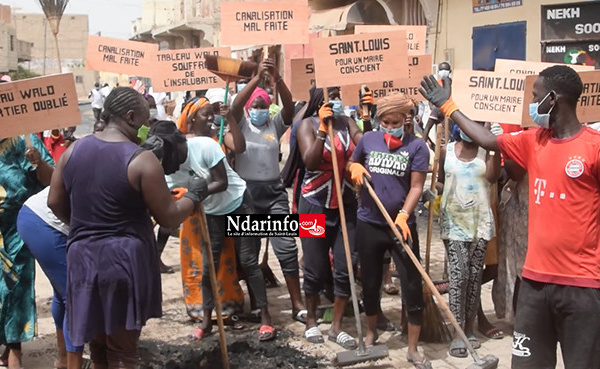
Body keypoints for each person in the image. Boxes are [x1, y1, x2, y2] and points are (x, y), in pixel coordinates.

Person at [420, 65, 600, 368]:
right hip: (533, 287)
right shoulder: (533, 141)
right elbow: (489, 141)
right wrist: (448, 106)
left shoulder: (594, 148)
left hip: (582, 288)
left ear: (552, 99)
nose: (531, 102)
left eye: (536, 96)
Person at [47, 87, 206, 369]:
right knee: (122, 351)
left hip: (83, 260)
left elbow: (54, 201)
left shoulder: (73, 151)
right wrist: (194, 195)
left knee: (98, 347)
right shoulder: (140, 160)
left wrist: (83, 226)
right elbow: (169, 217)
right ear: (131, 117)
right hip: (121, 262)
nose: (147, 128)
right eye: (145, 121)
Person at [170, 96, 275, 341]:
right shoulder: (175, 154)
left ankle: (266, 319)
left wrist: (195, 192)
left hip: (239, 204)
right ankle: (207, 322)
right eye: (205, 114)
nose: (210, 118)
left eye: (211, 114)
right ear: (192, 118)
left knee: (248, 260)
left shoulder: (208, 145)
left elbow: (222, 181)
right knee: (209, 266)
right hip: (213, 211)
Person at [347, 93, 431, 368]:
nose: (389, 125)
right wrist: (355, 167)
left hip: (401, 226)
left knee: (411, 284)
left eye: (395, 121)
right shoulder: (369, 139)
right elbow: (351, 162)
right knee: (370, 284)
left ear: (405, 119)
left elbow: (417, 186)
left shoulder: (417, 147)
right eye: (385, 121)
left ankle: (413, 348)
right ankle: (371, 333)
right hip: (369, 222)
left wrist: (404, 215)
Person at [230, 58, 307, 323]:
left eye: (264, 106)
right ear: (250, 108)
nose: (260, 110)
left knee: (285, 246)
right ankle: (258, 305)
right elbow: (235, 106)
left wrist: (277, 79)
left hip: (274, 194)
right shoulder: (241, 124)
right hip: (247, 196)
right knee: (248, 252)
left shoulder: (274, 124)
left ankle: (297, 303)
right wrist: (255, 79)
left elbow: (289, 106)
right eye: (256, 106)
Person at [296, 87, 362, 349]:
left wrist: (366, 118)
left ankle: (337, 327)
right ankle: (312, 320)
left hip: (345, 204)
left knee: (346, 267)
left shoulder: (347, 122)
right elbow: (310, 161)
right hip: (314, 204)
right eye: (328, 93)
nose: (333, 97)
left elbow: (364, 143)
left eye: (337, 93)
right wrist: (323, 129)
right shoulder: (307, 125)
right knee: (315, 267)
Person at [435, 121, 502, 357]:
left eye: (478, 124)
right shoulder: (446, 151)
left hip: (479, 222)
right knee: (459, 275)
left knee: (474, 277)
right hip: (453, 223)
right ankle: (457, 333)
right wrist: (435, 190)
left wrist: (496, 146)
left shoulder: (487, 152)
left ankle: (469, 328)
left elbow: (493, 178)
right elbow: (441, 181)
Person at [0, 134, 54, 369]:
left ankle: (14, 353)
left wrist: (38, 163)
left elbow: (53, 179)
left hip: (14, 228)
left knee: (16, 286)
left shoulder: (25, 138)